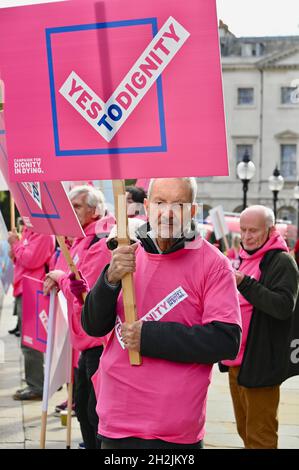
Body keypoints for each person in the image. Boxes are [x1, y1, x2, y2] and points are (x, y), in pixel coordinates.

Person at [82, 177, 242, 449]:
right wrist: (109, 278)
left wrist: (149, 337)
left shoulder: (214, 264)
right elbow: (93, 326)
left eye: (179, 204)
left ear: (192, 211)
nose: (167, 213)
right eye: (160, 202)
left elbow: (226, 340)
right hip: (116, 418)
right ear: (147, 206)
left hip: (172, 429)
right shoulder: (127, 253)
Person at [220, 205, 299, 449]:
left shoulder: (281, 261)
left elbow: (283, 306)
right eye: (243, 230)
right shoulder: (244, 257)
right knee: (245, 431)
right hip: (237, 362)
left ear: (271, 230)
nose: (246, 236)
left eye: (253, 230)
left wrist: (245, 283)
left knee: (260, 437)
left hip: (261, 362)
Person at [43, 185, 114, 449]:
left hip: (99, 342)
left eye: (77, 207)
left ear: (95, 211)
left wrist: (61, 279)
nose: (70, 213)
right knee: (83, 410)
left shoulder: (101, 242)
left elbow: (85, 290)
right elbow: (65, 274)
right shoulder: (81, 240)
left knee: (95, 414)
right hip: (82, 341)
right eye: (69, 207)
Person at [8, 225, 55, 400]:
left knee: (31, 342)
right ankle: (34, 381)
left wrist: (15, 244)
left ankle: (36, 385)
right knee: (27, 341)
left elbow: (30, 260)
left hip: (33, 290)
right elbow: (20, 259)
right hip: (24, 288)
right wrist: (16, 250)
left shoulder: (43, 233)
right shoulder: (29, 230)